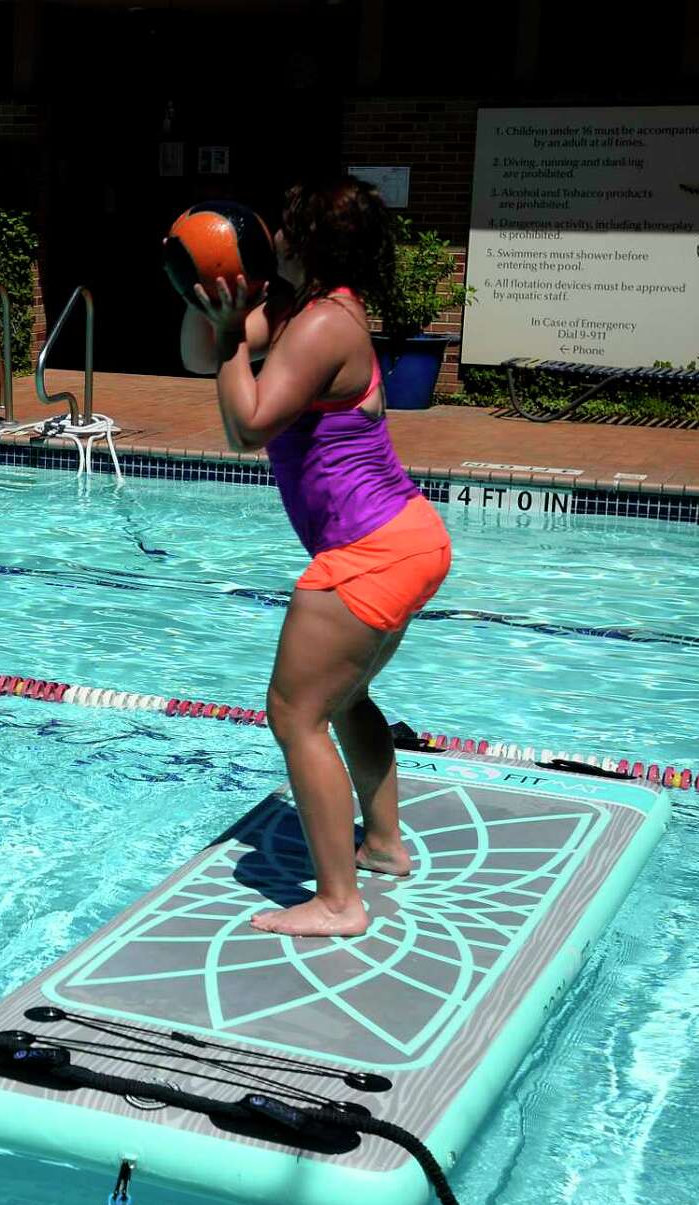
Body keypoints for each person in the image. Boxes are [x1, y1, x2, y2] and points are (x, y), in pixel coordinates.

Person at [179, 177, 453, 938]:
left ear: (304, 241)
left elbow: (250, 428)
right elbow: (204, 357)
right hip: (405, 539)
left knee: (294, 714)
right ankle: (386, 847)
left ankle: (338, 901)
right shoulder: (315, 310)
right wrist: (207, 303)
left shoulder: (322, 326)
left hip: (371, 553)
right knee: (343, 700)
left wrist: (236, 339)